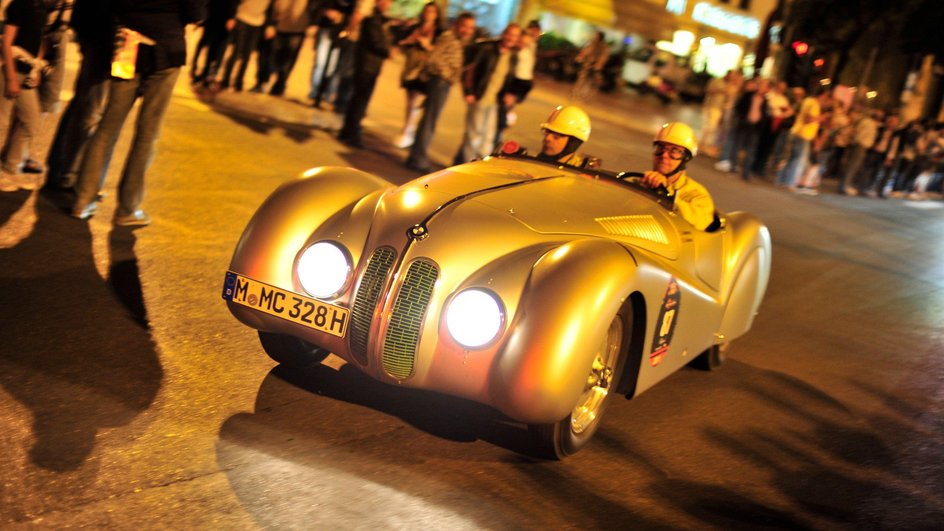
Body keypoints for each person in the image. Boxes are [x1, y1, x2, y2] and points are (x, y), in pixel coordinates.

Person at [71, 0, 207, 225]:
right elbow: (196, 12)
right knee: (147, 133)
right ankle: (127, 208)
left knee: (108, 127)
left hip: (128, 46)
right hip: (166, 48)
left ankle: (82, 200)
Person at [403, 11, 475, 172]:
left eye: (471, 28)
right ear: (457, 24)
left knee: (430, 120)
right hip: (439, 82)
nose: (468, 30)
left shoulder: (458, 40)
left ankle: (416, 156)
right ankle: (417, 158)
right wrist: (447, 75)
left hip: (443, 83)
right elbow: (433, 59)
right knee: (429, 120)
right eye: (465, 26)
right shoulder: (448, 37)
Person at [452, 23, 520, 164]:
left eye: (514, 36)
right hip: (480, 98)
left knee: (488, 138)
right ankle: (467, 167)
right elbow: (470, 71)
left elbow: (510, 79)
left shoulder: (513, 57)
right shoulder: (488, 49)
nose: (510, 38)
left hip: (495, 102)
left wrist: (510, 95)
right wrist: (469, 92)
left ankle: (480, 166)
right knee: (473, 136)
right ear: (504, 33)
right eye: (509, 34)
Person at [0, 0, 50, 192]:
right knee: (2, 123)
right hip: (9, 70)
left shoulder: (41, 6)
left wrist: (35, 70)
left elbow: (39, 40)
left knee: (31, 119)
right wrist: (11, 77)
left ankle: (11, 167)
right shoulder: (20, 5)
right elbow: (6, 42)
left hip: (26, 71)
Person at [640, 122, 716, 231]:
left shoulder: (697, 194)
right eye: (660, 148)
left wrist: (666, 193)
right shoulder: (639, 181)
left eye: (674, 151)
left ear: (685, 158)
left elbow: (702, 222)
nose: (664, 155)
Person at [336, 0, 391, 147]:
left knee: (358, 99)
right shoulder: (372, 20)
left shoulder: (380, 20)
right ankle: (351, 132)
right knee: (360, 100)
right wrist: (388, 51)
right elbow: (377, 43)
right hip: (367, 65)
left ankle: (347, 131)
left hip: (370, 65)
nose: (388, 4)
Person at [392, 1, 441, 148]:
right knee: (410, 101)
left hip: (425, 71)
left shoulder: (438, 32)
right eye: (426, 11)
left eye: (432, 12)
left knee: (417, 102)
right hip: (411, 68)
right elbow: (401, 44)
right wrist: (410, 40)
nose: (428, 14)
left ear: (436, 15)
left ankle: (409, 130)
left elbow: (439, 52)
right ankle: (408, 129)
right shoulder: (415, 27)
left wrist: (427, 45)